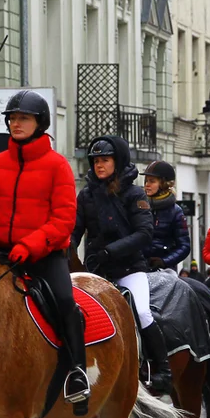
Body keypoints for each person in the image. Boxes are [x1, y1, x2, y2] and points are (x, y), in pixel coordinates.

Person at [0, 90, 91, 412]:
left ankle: (78, 372)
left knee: (66, 302)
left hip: (44, 256)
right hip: (0, 255)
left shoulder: (57, 165)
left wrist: (29, 245)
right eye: (12, 118)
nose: (16, 123)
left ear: (40, 123)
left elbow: (64, 219)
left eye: (23, 118)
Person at [74, 135, 172, 394]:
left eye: (104, 160)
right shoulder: (85, 195)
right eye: (95, 161)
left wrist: (111, 251)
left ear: (117, 162)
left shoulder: (134, 193)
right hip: (95, 270)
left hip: (129, 269)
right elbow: (75, 232)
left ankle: (162, 369)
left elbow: (144, 233)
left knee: (142, 312)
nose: (99, 165)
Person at [141, 161, 191, 274]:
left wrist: (164, 261)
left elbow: (184, 246)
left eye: (152, 181)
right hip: (137, 267)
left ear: (164, 184)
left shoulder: (176, 211)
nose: (147, 185)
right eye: (146, 181)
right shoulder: (136, 206)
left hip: (165, 269)